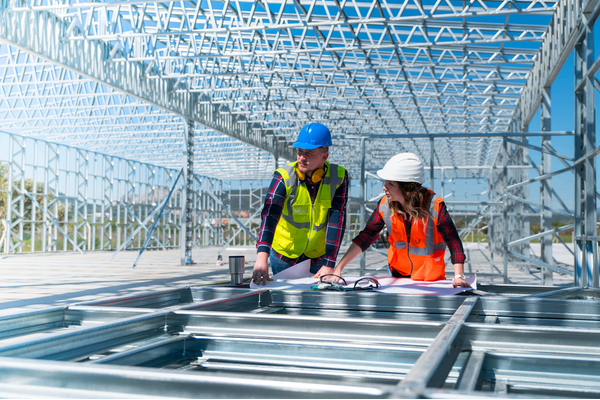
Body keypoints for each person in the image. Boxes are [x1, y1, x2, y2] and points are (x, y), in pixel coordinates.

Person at [331, 152, 470, 288]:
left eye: (390, 184)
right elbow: (366, 236)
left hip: (429, 280)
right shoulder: (385, 205)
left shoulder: (434, 205)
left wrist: (459, 276)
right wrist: (338, 269)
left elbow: (453, 241)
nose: (384, 187)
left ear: (407, 187)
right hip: (398, 277)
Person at [251, 123, 349, 285]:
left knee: (315, 302)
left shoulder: (338, 177)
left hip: (317, 256)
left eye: (308, 153)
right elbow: (270, 215)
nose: (301, 157)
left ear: (324, 156)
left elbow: (337, 220)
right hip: (284, 255)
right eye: (299, 152)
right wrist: (262, 257)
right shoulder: (284, 177)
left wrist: (329, 263)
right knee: (285, 302)